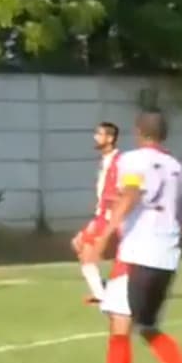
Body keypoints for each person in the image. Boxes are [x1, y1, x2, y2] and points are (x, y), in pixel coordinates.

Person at [91, 110, 182, 363]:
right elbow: (179, 214)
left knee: (120, 326)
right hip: (167, 255)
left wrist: (104, 236)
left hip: (136, 253)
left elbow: (132, 194)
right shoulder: (177, 168)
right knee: (147, 326)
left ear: (138, 132)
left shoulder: (132, 160)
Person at [71, 122, 124, 304]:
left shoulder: (118, 162)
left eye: (99, 134)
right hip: (103, 215)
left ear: (110, 138)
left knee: (86, 249)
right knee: (82, 247)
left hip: (109, 216)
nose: (95, 137)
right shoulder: (106, 160)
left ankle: (102, 293)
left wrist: (111, 214)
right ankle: (103, 289)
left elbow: (121, 191)